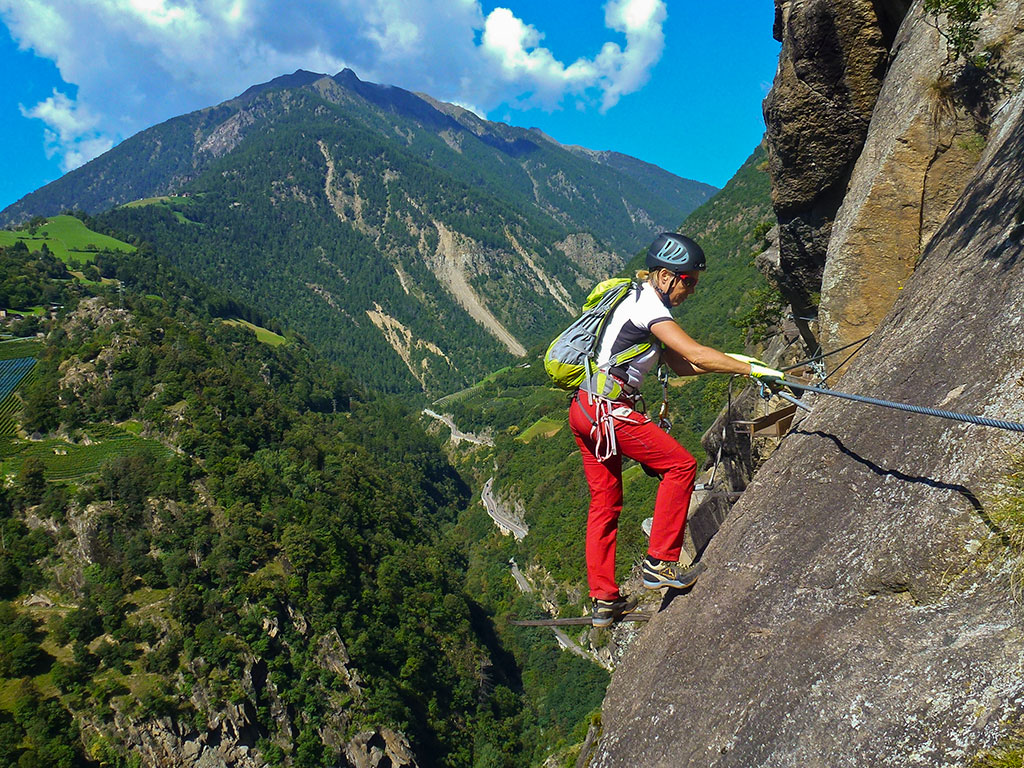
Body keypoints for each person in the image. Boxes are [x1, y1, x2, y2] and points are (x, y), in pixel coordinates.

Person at [568, 232, 785, 626]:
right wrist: (753, 368)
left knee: (605, 504)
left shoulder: (635, 300)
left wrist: (736, 362)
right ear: (666, 276)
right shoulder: (650, 306)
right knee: (681, 466)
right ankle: (660, 564)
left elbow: (685, 365)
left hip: (586, 408)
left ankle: (604, 599)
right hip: (610, 411)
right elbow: (695, 354)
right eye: (690, 281)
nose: (693, 289)